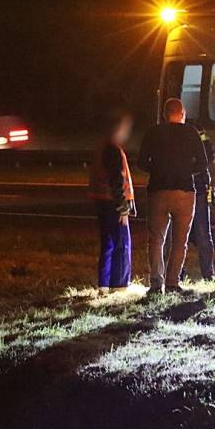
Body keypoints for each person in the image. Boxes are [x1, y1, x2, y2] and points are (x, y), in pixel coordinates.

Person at [138, 98, 210, 296]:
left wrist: (158, 169)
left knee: (156, 239)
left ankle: (155, 282)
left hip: (158, 191)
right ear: (182, 114)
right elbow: (203, 163)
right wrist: (187, 170)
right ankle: (172, 282)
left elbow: (141, 162)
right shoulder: (190, 132)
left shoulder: (153, 132)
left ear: (164, 114)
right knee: (180, 241)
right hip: (185, 192)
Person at [88, 110, 136, 294]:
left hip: (102, 202)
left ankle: (104, 284)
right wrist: (123, 208)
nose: (127, 131)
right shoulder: (114, 150)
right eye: (125, 127)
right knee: (122, 244)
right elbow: (116, 181)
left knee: (107, 244)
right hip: (113, 204)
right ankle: (119, 285)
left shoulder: (102, 148)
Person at [187, 123, 215, 281]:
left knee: (178, 236)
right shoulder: (199, 131)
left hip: (184, 186)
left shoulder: (167, 132)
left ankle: (176, 275)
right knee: (203, 233)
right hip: (197, 186)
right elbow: (209, 157)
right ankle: (208, 275)